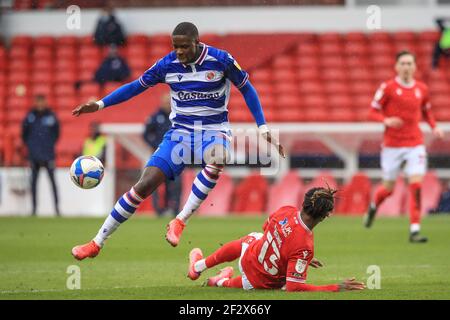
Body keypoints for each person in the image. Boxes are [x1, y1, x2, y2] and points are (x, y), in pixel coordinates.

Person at [71, 22, 284, 260]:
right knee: (144, 185)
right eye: (175, 46)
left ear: (197, 42)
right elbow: (135, 87)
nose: (179, 52)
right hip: (180, 133)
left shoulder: (221, 60)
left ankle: (180, 220)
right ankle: (96, 242)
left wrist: (262, 126)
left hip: (213, 130)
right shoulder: (166, 64)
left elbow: (247, 89)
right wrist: (100, 104)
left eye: (184, 46)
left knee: (219, 157)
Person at [186, 187, 365, 292]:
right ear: (325, 216)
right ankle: (219, 282)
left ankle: (198, 268)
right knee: (256, 276)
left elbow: (266, 228)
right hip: (261, 283)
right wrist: (335, 287)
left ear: (304, 202)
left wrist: (289, 249)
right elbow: (294, 287)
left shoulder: (285, 210)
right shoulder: (304, 246)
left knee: (252, 238)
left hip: (250, 258)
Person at [365, 51, 444, 243]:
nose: (407, 67)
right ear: (396, 67)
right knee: (388, 189)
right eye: (403, 63)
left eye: (410, 63)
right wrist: (387, 120)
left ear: (415, 67)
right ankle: (374, 206)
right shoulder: (388, 88)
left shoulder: (422, 89)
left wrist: (435, 127)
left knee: (416, 185)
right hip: (392, 145)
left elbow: (427, 112)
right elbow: (372, 112)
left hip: (415, 144)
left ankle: (414, 230)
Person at [21, 95, 60, 216]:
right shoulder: (30, 116)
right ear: (35, 102)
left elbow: (56, 134)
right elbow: (24, 134)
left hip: (48, 155)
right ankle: (34, 209)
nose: (40, 104)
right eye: (38, 102)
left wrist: (48, 145)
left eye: (42, 101)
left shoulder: (51, 116)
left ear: (45, 102)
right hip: (34, 156)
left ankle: (57, 209)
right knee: (33, 183)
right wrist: (31, 148)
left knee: (53, 183)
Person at [143, 93, 181, 217]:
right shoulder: (155, 117)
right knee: (155, 183)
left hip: (175, 157)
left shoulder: (177, 117)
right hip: (159, 156)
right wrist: (156, 145)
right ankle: (159, 210)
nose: (168, 105)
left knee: (175, 184)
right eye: (166, 102)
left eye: (170, 103)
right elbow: (146, 134)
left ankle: (173, 209)